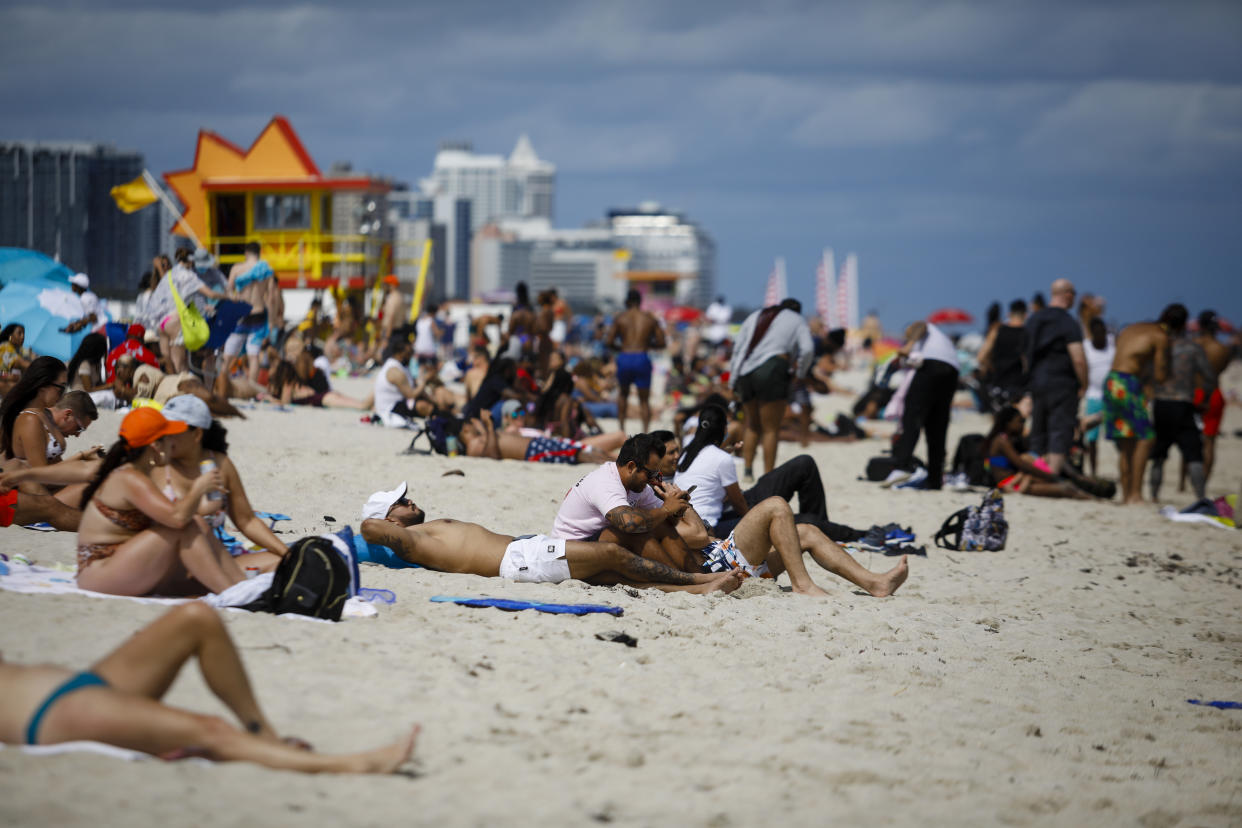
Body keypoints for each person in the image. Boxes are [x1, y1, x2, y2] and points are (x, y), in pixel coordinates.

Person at [0, 603, 417, 772]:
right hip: (49, 714)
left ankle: (265, 736)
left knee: (198, 617)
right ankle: (351, 764)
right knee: (211, 730)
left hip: (77, 685)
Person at [357, 481, 739, 593]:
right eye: (401, 501)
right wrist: (387, 527)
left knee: (611, 576)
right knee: (609, 553)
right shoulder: (411, 540)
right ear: (390, 517)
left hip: (523, 552)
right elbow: (367, 529)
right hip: (519, 562)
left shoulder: (421, 532)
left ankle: (694, 589)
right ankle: (698, 579)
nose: (410, 499)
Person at [74, 407, 245, 596]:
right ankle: (232, 594)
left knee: (197, 523)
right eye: (168, 438)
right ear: (156, 446)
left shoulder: (134, 473)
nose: (172, 443)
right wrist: (199, 488)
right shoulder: (130, 477)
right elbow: (178, 518)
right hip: (99, 571)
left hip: (118, 565)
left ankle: (241, 585)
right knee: (185, 527)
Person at [159, 395, 289, 572]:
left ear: (197, 434)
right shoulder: (158, 465)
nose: (165, 436)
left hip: (218, 559)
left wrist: (287, 553)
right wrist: (198, 490)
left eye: (173, 431)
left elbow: (247, 520)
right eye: (162, 429)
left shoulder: (220, 464)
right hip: (172, 564)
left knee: (288, 563)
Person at [728, 298, 813, 478]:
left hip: (745, 372)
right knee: (771, 428)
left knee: (752, 424)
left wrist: (733, 380)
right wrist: (800, 373)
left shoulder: (756, 315)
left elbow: (738, 349)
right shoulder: (797, 320)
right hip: (773, 369)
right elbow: (807, 349)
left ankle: (748, 471)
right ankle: (768, 475)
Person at [1149, 304, 1215, 506]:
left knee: (1159, 454)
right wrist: (1204, 400)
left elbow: (1148, 374)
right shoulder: (1192, 348)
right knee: (1194, 454)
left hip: (1161, 403)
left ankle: (1154, 496)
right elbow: (1210, 378)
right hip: (1183, 403)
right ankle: (1201, 497)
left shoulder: (1160, 345)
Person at [884, 320, 960, 489]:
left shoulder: (923, 328)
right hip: (952, 370)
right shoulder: (941, 340)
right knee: (938, 425)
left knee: (912, 417)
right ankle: (935, 478)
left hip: (931, 366)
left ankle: (902, 466)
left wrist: (908, 344)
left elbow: (921, 326)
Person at [1023, 279, 1087, 476]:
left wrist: (1028, 381)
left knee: (1038, 428)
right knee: (1060, 430)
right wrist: (1084, 383)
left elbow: (1025, 354)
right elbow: (1078, 358)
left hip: (1037, 380)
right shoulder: (1068, 321)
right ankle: (1051, 476)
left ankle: (1034, 473)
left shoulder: (1034, 319)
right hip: (1061, 381)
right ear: (1067, 294)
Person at [1104, 315, 1169, 504]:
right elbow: (1160, 374)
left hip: (1112, 381)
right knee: (1146, 437)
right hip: (1127, 383)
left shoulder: (1130, 328)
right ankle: (1136, 494)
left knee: (1127, 443)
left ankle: (1127, 494)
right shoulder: (1159, 335)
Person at [986, 406, 1089, 498]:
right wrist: (1048, 476)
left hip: (1018, 480)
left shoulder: (1009, 439)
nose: (1022, 424)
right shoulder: (1001, 441)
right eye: (1020, 421)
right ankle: (1090, 496)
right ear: (1008, 423)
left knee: (1066, 486)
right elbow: (1021, 464)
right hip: (1011, 484)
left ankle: (1088, 493)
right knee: (1064, 488)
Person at [606, 289, 666, 434]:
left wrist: (622, 347)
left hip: (625, 356)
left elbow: (609, 341)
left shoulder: (620, 318)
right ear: (640, 302)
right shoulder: (649, 318)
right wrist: (646, 345)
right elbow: (661, 342)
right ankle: (645, 431)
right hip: (641, 357)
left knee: (623, 394)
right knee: (644, 400)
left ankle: (621, 430)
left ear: (627, 301)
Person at [458, 412, 612, 464]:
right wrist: (489, 426)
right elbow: (492, 455)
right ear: (465, 429)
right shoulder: (473, 447)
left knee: (581, 449)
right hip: (532, 451)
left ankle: (617, 461)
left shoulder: (482, 436)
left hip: (535, 444)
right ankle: (614, 464)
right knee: (576, 454)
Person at [225, 243, 280, 386]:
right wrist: (272, 322)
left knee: (230, 352)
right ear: (259, 253)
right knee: (253, 356)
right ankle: (252, 390)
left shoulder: (237, 268)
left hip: (241, 313)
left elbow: (229, 291)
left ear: (246, 253)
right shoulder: (267, 270)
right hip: (258, 314)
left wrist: (234, 298)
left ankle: (221, 383)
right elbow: (272, 298)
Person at [1192, 310, 1233, 488]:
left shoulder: (1193, 344)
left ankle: (1183, 484)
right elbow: (1221, 371)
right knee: (1210, 441)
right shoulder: (1223, 349)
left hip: (1194, 392)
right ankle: (1204, 482)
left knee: (1191, 439)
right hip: (1215, 393)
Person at [976, 299, 1028, 411]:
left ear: (1009, 314)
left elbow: (981, 357)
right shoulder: (1026, 333)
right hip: (1017, 385)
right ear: (1026, 315)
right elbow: (1027, 362)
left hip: (997, 382)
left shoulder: (997, 330)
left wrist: (990, 367)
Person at [1082, 317, 1115, 478]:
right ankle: (1093, 472)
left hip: (1113, 396)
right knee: (1092, 438)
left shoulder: (1112, 343)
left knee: (1118, 436)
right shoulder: (1086, 347)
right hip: (1093, 396)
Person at [0, 323, 30, 395]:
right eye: (19, 333)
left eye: (23, 333)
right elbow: (19, 363)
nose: (23, 337)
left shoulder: (21, 350)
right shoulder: (5, 346)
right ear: (10, 335)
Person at [413, 304, 440, 368]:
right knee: (434, 368)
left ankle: (421, 378)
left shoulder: (420, 320)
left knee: (421, 368)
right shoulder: (431, 321)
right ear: (434, 312)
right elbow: (437, 333)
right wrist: (441, 332)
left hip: (418, 348)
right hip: (428, 349)